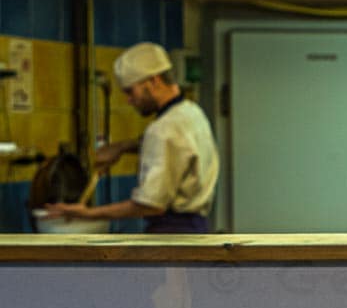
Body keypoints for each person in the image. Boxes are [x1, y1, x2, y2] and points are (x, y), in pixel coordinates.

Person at [46, 42, 219, 233]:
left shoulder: (163, 129)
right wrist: (121, 148)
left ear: (154, 81)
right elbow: (177, 147)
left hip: (172, 236)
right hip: (196, 228)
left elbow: (151, 204)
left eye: (130, 91)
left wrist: (87, 213)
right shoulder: (191, 113)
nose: (129, 100)